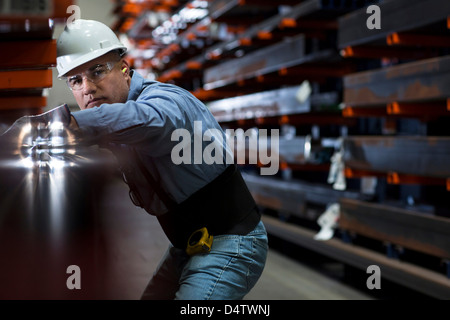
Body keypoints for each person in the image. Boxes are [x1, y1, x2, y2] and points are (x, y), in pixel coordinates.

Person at [26, 19, 267, 300]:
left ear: (125, 70)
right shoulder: (115, 113)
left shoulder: (165, 101)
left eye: (97, 71)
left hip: (231, 241)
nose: (87, 88)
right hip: (189, 243)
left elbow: (148, 121)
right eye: (75, 80)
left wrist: (61, 125)